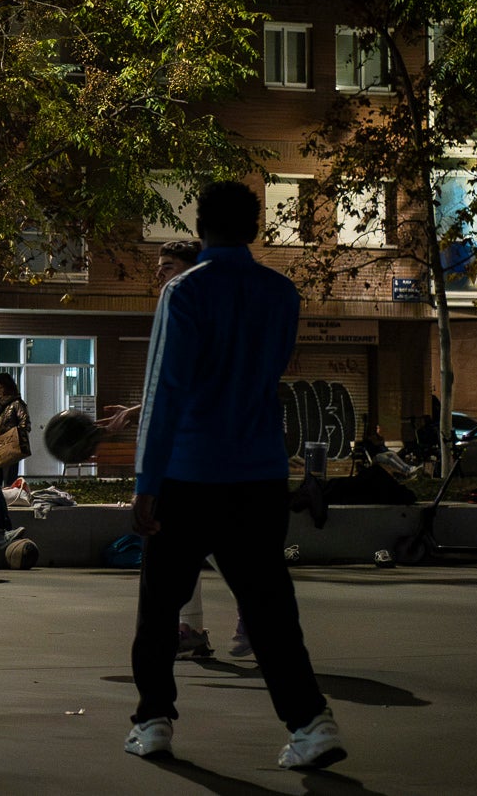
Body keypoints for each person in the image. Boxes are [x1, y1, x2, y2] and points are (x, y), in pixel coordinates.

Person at [123, 181, 345, 771]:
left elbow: (164, 390)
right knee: (271, 607)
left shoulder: (185, 292)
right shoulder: (281, 292)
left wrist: (147, 482)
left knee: (160, 608)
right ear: (256, 227)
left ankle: (153, 722)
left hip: (189, 474)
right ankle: (310, 723)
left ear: (200, 225)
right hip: (258, 472)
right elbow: (269, 371)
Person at [104, 237, 235, 661]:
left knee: (198, 538)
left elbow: (184, 387)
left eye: (167, 266)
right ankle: (191, 628)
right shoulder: (190, 313)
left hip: (204, 452)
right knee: (187, 540)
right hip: (194, 448)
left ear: (191, 270)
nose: (159, 274)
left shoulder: (203, 315)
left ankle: (248, 604)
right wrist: (138, 411)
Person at [0, 372, 31, 485]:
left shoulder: (16, 404)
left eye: (0, 388)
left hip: (10, 446)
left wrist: (11, 433)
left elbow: (25, 424)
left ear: (7, 387)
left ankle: (8, 500)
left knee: (10, 480)